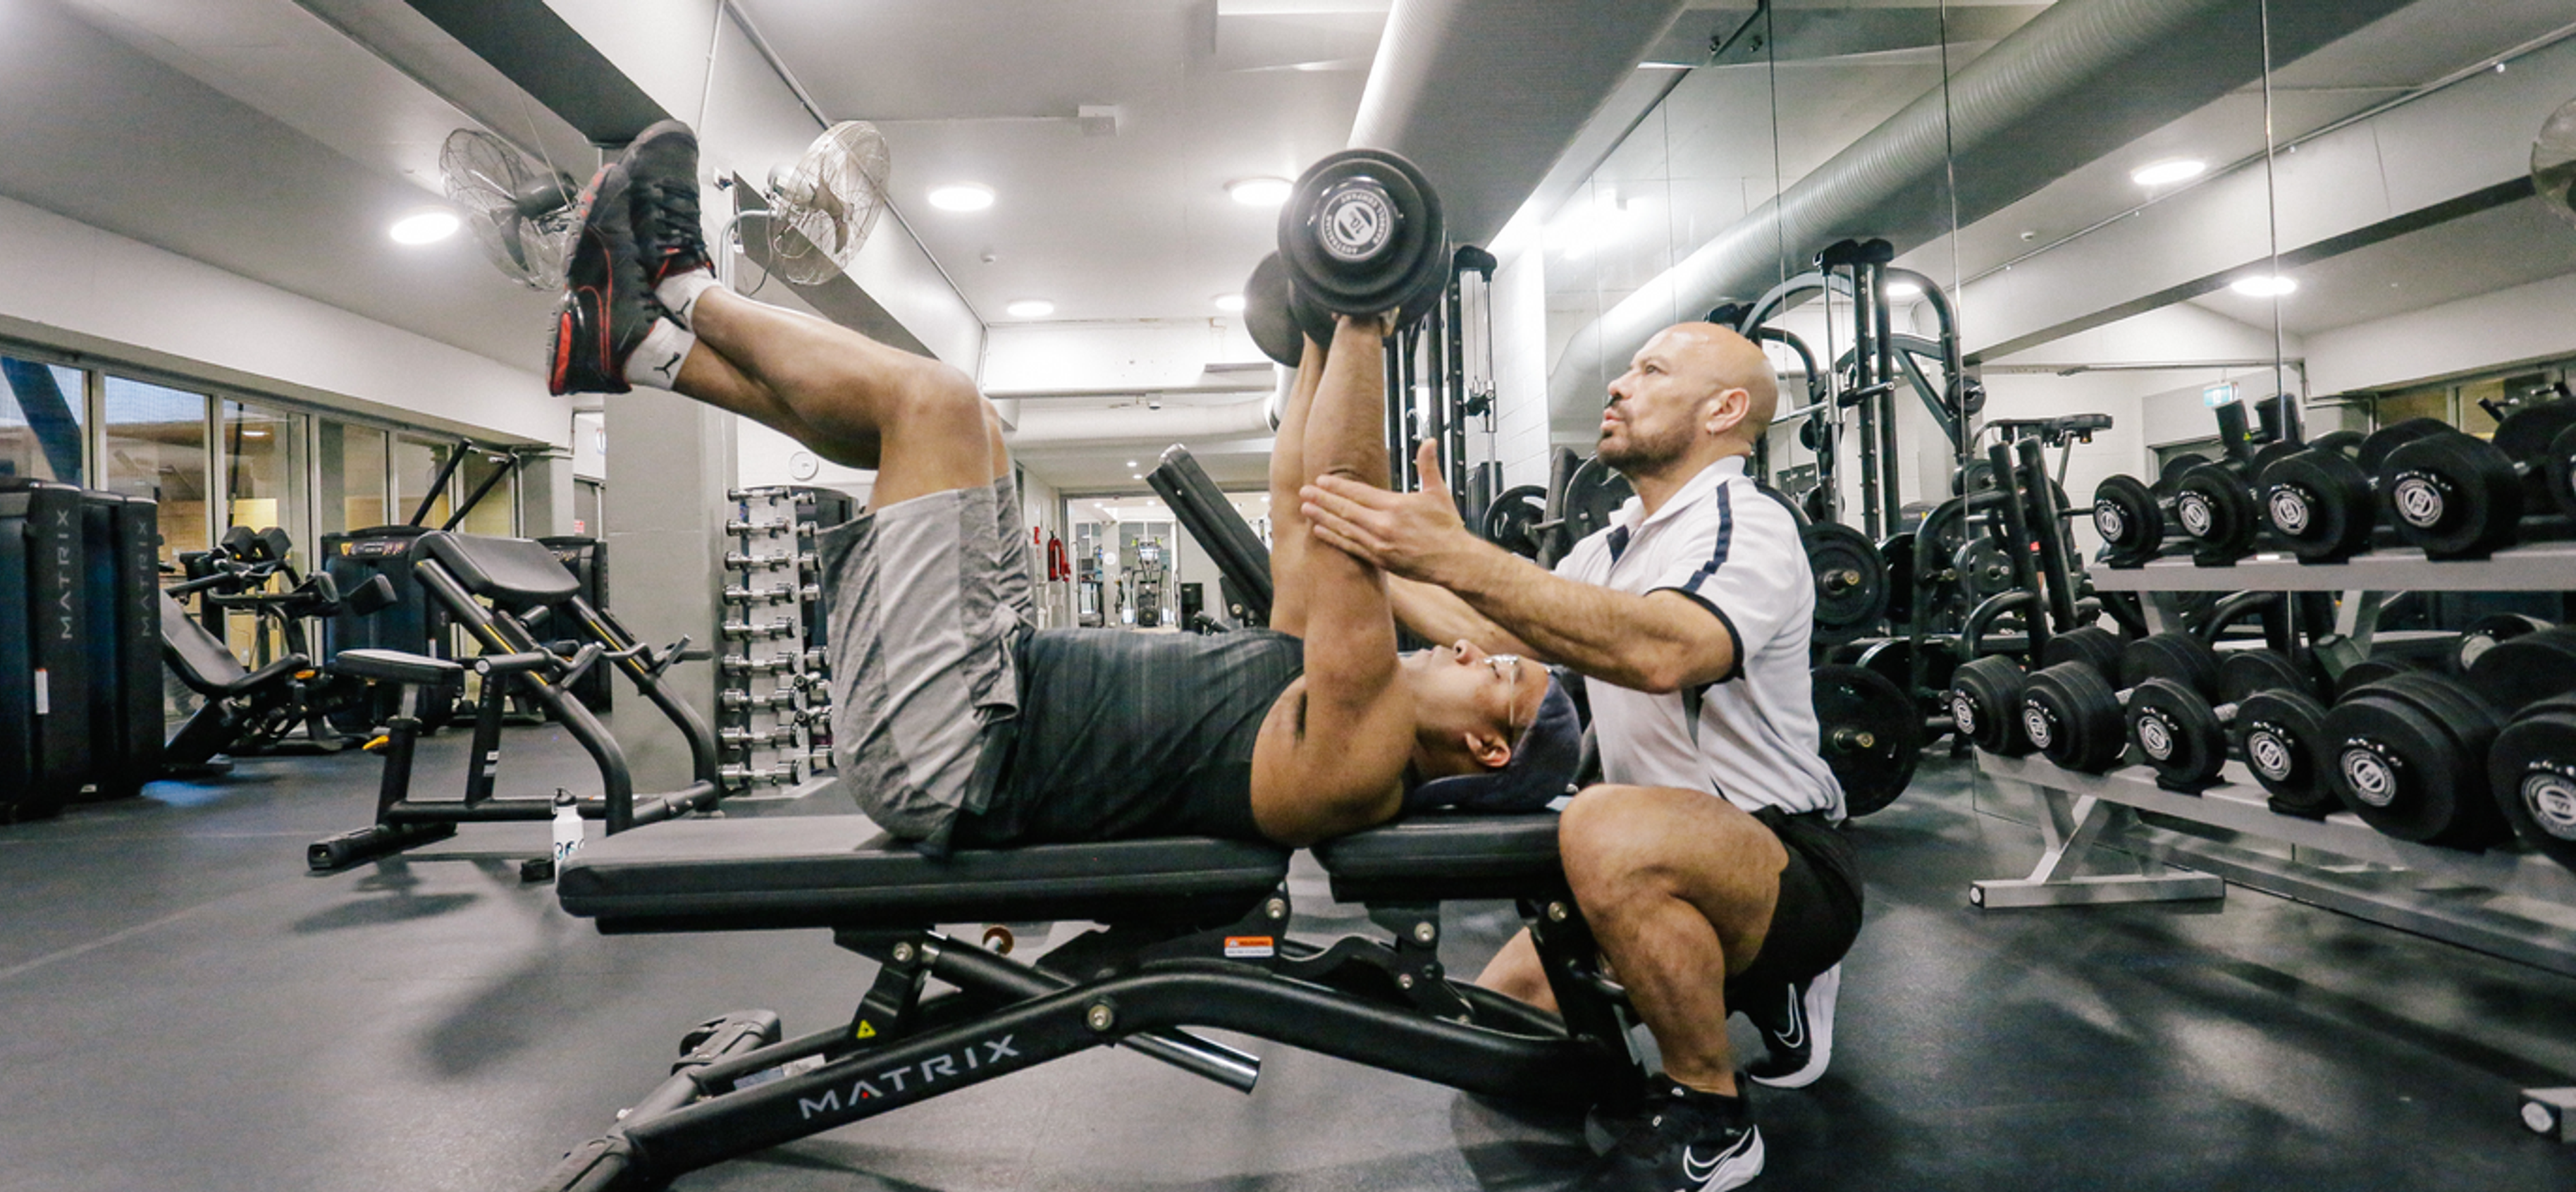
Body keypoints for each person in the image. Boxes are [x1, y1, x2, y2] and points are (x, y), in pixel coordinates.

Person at [543, 121, 1579, 854]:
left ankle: (682, 286)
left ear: (1487, 748)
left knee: (937, 401)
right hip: (998, 672)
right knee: (973, 427)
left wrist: (1364, 314)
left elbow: (1351, 506)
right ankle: (636, 347)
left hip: (951, 749)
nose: (1464, 644)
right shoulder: (1333, 685)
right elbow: (1303, 496)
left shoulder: (1361, 762)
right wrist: (1319, 329)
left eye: (1498, 675)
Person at [1298, 322, 1862, 1192]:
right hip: (1655, 854)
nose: (1619, 384)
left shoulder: (1745, 524)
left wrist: (1461, 555)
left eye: (1651, 370)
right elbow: (1501, 632)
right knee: (1507, 1033)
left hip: (1781, 857)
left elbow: (1669, 649)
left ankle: (1712, 1108)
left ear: (1725, 408)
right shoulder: (1611, 543)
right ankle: (1748, 984)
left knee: (1603, 823)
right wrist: (1355, 549)